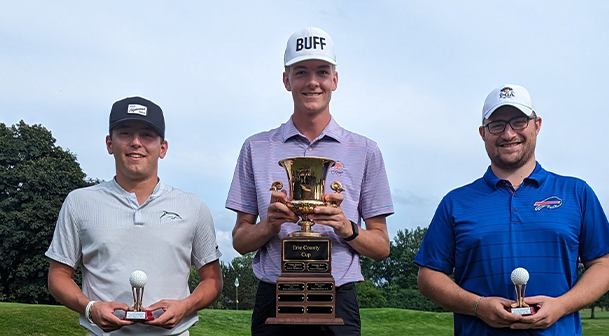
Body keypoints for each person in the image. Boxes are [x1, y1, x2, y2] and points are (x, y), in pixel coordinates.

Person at [226, 27, 394, 336]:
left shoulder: (365, 151)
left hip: (339, 295)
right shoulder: (256, 147)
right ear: (286, 80)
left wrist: (346, 228)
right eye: (301, 72)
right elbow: (239, 241)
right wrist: (269, 225)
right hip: (273, 294)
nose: (312, 82)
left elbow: (382, 246)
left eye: (322, 71)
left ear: (335, 80)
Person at [414, 84, 609, 335]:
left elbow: (603, 267)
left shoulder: (576, 192)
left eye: (519, 122)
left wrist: (561, 306)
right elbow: (428, 277)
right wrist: (477, 306)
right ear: (483, 133)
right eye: (497, 125)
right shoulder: (456, 202)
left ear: (537, 125)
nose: (508, 134)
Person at [46, 96, 223, 336]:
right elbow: (58, 275)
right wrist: (90, 308)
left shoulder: (192, 206)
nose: (136, 142)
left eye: (147, 135)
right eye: (125, 133)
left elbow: (212, 280)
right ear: (110, 143)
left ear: (163, 148)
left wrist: (185, 306)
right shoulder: (80, 202)